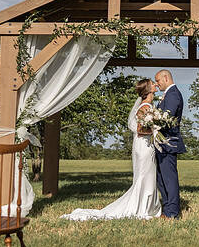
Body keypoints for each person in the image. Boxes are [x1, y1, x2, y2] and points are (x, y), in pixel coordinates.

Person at [61, 79, 161, 220]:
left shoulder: (150, 105)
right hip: (143, 145)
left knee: (148, 175)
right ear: (148, 89)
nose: (156, 84)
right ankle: (141, 207)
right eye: (153, 83)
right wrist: (156, 129)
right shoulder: (144, 107)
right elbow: (139, 130)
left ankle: (148, 206)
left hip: (147, 145)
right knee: (144, 175)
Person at [153, 69, 186, 219]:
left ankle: (172, 212)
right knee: (161, 178)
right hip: (162, 142)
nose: (156, 84)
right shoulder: (168, 94)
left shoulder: (173, 94)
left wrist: (151, 121)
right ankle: (167, 210)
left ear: (165, 78)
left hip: (169, 142)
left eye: (158, 81)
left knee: (169, 178)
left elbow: (167, 118)